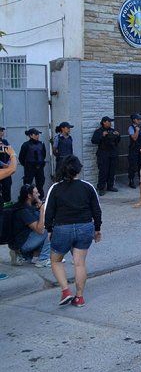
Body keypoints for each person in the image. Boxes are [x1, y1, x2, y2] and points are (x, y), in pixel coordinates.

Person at [45, 156, 102, 307]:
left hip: (62, 228)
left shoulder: (55, 188)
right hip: (85, 227)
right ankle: (79, 297)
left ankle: (65, 291)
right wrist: (97, 229)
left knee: (56, 260)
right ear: (79, 169)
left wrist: (49, 229)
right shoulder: (88, 187)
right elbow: (97, 210)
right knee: (79, 263)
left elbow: (48, 211)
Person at [9, 184, 51, 267]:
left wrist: (39, 204)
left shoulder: (27, 206)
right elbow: (40, 230)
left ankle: (35, 258)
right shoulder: (24, 211)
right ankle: (43, 259)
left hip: (24, 241)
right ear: (29, 196)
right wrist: (42, 210)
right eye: (36, 193)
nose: (39, 194)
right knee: (49, 230)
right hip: (23, 244)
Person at [91, 116, 120, 196]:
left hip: (112, 154)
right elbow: (94, 141)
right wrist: (102, 135)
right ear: (104, 122)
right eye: (109, 121)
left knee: (112, 171)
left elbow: (117, 142)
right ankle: (101, 188)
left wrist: (118, 135)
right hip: (103, 154)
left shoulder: (112, 130)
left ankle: (110, 186)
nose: (110, 123)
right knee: (103, 172)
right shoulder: (98, 131)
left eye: (111, 122)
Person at [19, 128, 46, 197]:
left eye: (38, 134)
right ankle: (26, 200)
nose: (37, 136)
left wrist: (40, 163)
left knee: (40, 184)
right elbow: (21, 157)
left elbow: (43, 155)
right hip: (29, 167)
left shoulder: (41, 144)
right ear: (30, 135)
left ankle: (40, 199)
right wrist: (27, 165)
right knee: (27, 185)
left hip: (39, 167)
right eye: (36, 134)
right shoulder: (25, 145)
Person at [127, 114, 141, 189]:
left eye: (140, 119)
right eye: (138, 119)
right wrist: (137, 131)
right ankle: (131, 181)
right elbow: (134, 138)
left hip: (140, 149)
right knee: (133, 166)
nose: (139, 121)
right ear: (134, 120)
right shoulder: (131, 128)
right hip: (133, 149)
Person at [0, 128, 13, 204]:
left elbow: (11, 153)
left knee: (7, 186)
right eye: (0, 131)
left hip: (6, 169)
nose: (2, 132)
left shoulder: (5, 142)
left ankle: (6, 205)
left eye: (2, 131)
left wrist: (8, 163)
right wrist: (2, 164)